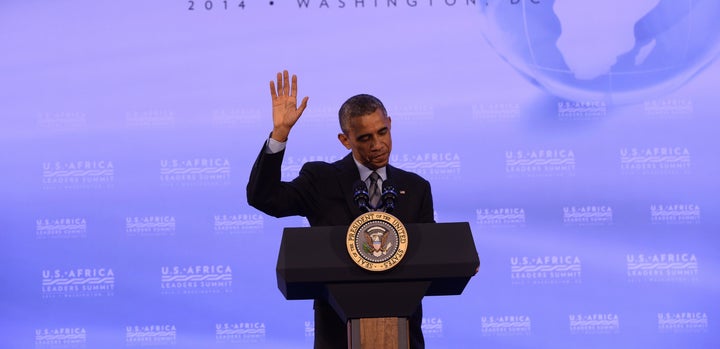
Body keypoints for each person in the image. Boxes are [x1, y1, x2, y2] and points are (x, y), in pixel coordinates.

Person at [247, 70, 435, 349]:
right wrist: (280, 135)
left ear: (390, 124)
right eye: (365, 138)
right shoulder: (321, 180)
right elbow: (265, 198)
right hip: (338, 334)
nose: (378, 145)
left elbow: (430, 252)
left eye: (383, 132)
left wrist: (462, 259)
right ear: (345, 140)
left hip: (402, 334)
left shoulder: (416, 187)